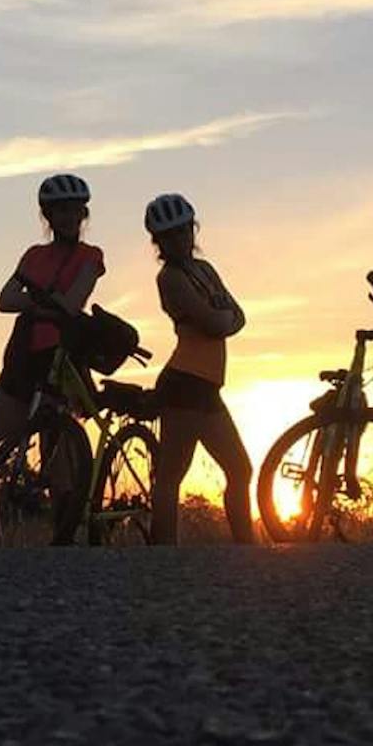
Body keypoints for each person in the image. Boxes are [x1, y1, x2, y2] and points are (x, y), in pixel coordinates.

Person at [0, 174, 105, 543]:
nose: (67, 217)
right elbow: (3, 300)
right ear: (47, 215)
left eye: (74, 210)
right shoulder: (34, 255)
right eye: (59, 211)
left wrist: (35, 301)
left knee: (57, 464)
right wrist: (45, 302)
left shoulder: (91, 256)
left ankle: (63, 548)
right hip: (22, 364)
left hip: (60, 365)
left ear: (83, 213)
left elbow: (74, 303)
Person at [145, 194, 254, 545]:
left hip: (208, 386)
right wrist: (222, 318)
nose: (180, 239)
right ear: (158, 242)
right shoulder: (171, 279)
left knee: (240, 469)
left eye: (184, 231)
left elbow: (238, 316)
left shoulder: (205, 270)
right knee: (172, 474)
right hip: (184, 383)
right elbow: (217, 322)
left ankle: (246, 549)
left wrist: (223, 318)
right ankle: (165, 554)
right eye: (170, 235)